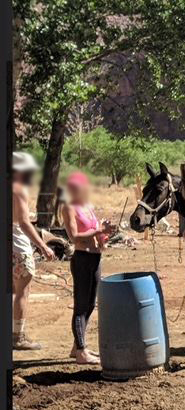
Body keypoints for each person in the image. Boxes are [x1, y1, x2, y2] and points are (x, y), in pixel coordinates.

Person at [61, 171, 116, 364]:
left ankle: (77, 346)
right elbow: (74, 236)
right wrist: (99, 230)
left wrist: (104, 235)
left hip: (95, 257)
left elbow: (97, 233)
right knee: (81, 306)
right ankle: (81, 352)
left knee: (91, 304)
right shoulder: (68, 207)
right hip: (82, 258)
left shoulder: (87, 206)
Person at [12, 152, 56, 350]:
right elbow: (23, 222)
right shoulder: (18, 189)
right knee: (23, 290)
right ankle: (18, 337)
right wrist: (42, 245)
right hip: (18, 246)